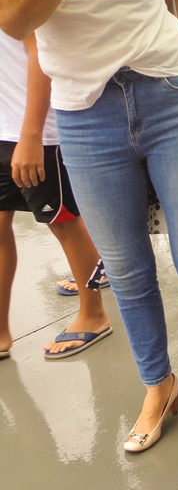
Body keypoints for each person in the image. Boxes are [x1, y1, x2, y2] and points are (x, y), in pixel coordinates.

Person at [0, 0, 178, 452]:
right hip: (84, 111)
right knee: (127, 270)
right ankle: (159, 386)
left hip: (169, 90)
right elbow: (13, 19)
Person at [0, 30, 112, 360]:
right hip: (4, 129)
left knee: (64, 222)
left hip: (33, 132)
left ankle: (94, 314)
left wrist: (32, 135)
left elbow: (41, 52)